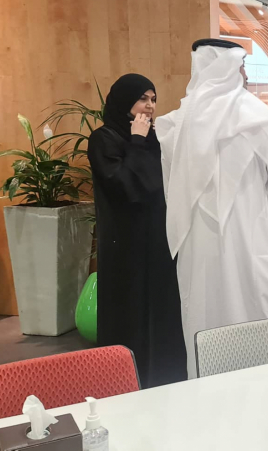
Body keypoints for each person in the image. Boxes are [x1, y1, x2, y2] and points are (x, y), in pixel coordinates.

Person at [156, 38, 268, 378]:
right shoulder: (257, 117)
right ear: (230, 68)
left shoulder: (176, 124)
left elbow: (171, 194)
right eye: (242, 66)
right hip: (252, 244)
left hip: (200, 254)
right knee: (263, 336)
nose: (245, 74)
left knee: (206, 331)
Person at [87, 74, 186, 388]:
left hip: (157, 239)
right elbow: (127, 187)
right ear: (124, 100)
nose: (150, 106)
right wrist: (138, 142)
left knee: (161, 309)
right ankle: (125, 382)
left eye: (153, 99)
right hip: (125, 245)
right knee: (129, 312)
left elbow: (162, 184)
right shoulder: (103, 139)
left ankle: (164, 379)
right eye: (143, 98)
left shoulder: (153, 139)